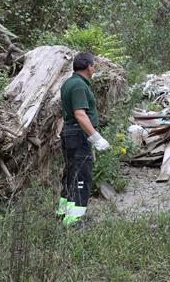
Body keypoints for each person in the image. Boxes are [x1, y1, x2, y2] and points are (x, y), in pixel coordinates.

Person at [56, 51, 110, 226]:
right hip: (78, 135)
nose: (94, 69)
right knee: (81, 176)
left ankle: (63, 213)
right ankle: (74, 220)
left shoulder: (69, 83)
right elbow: (80, 114)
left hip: (69, 133)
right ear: (89, 67)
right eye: (94, 66)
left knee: (71, 174)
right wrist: (96, 137)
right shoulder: (79, 85)